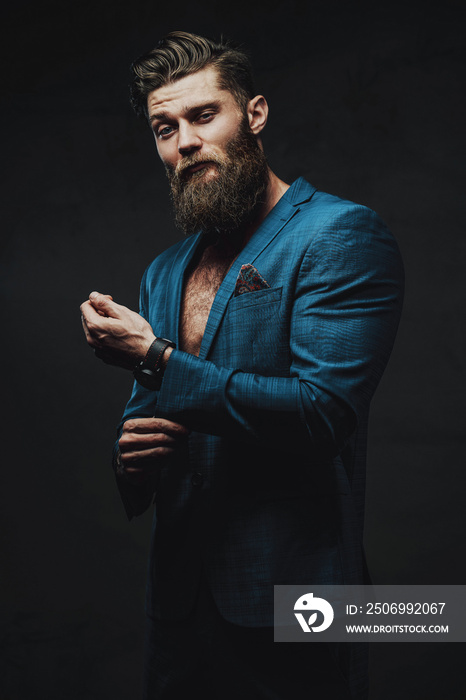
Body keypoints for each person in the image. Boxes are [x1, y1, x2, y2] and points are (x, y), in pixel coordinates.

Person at [81, 30, 404, 700]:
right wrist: (131, 460)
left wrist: (156, 359)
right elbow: (153, 414)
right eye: (164, 128)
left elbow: (322, 413)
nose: (185, 142)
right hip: (179, 607)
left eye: (203, 116)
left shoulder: (338, 235)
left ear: (253, 114)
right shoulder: (165, 272)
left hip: (299, 602)